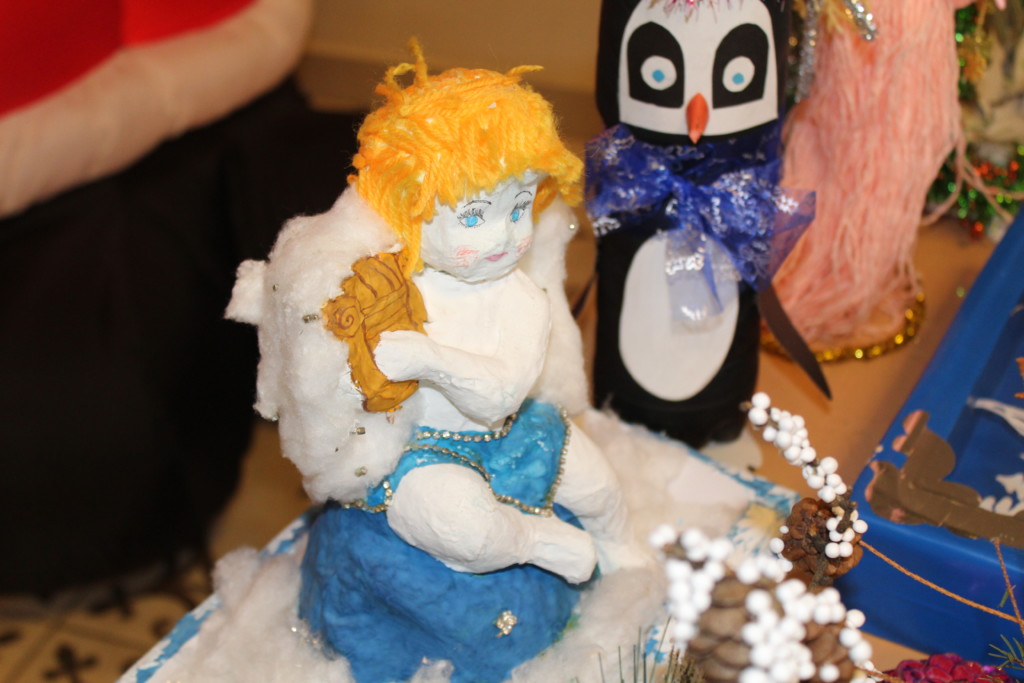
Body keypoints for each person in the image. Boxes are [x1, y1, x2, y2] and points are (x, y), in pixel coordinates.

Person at [227, 43, 645, 683]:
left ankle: (617, 546)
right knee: (454, 528)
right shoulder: (391, 283)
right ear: (408, 209)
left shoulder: (519, 296)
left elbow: (500, 395)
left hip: (513, 428)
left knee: (596, 483)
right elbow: (335, 366)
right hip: (424, 453)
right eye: (475, 216)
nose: (504, 237)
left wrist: (427, 358)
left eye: (519, 208)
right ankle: (539, 543)